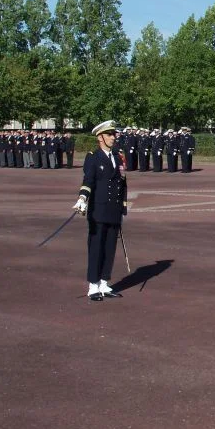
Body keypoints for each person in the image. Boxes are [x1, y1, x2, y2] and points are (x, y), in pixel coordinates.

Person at [72, 120, 127, 302]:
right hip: (98, 209)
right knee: (96, 247)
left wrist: (123, 207)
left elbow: (122, 184)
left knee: (110, 247)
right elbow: (89, 180)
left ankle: (104, 282)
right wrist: (82, 198)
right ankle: (93, 285)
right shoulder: (93, 157)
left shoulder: (118, 157)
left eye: (114, 134)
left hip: (113, 209)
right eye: (110, 134)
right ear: (100, 137)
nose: (114, 137)